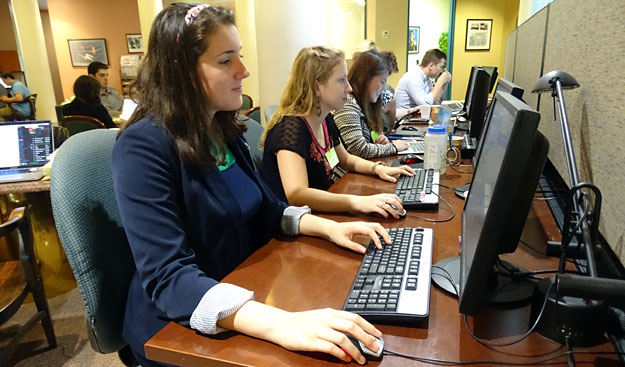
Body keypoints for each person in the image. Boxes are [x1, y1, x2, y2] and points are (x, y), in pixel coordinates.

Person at [112, 4, 389, 366]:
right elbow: (169, 277)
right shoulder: (142, 147)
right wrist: (280, 323)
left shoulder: (223, 129)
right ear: (180, 70)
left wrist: (331, 227)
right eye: (226, 60)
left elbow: (269, 209)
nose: (244, 70)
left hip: (242, 291)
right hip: (176, 329)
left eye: (239, 56)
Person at [260, 46, 414, 219]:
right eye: (341, 80)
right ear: (317, 86)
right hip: (288, 230)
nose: (349, 88)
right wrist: (357, 202)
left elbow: (345, 159)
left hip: (317, 216)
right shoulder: (290, 127)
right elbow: (297, 194)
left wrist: (377, 169)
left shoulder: (325, 119)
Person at [334, 49, 410, 158]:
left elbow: (368, 143)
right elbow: (359, 149)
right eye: (382, 81)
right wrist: (393, 147)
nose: (383, 88)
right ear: (366, 78)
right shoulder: (347, 104)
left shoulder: (366, 103)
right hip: (348, 174)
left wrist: (381, 142)